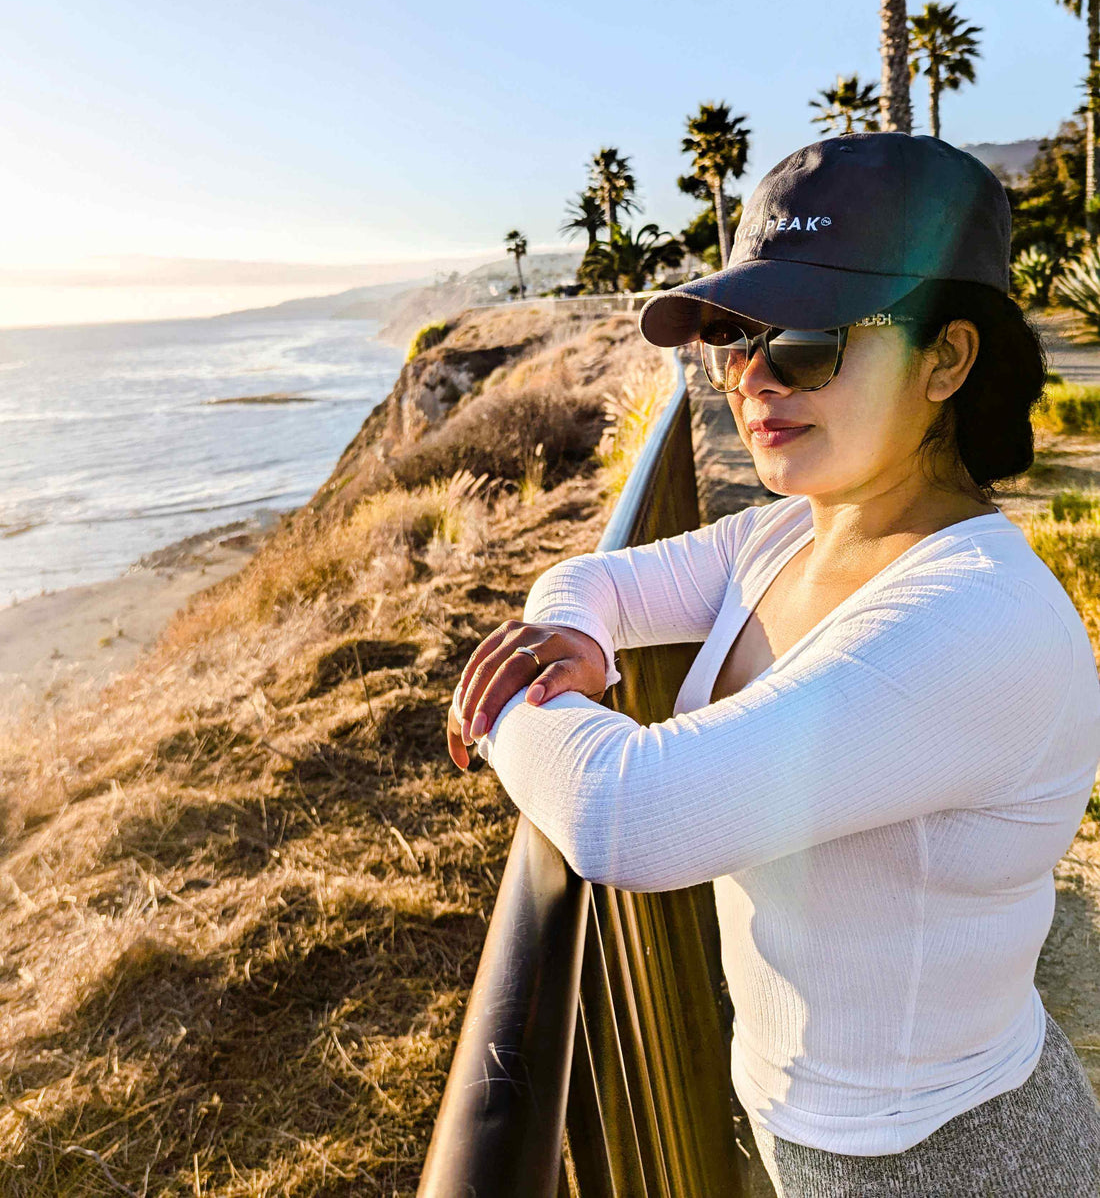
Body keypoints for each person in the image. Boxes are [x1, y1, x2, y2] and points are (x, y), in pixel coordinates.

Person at [446, 133, 1100, 1197]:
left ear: (946, 359)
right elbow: (589, 582)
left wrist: (504, 706)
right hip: (814, 1131)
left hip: (948, 1160)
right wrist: (564, 641)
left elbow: (627, 816)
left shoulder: (974, 619)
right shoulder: (788, 533)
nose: (751, 378)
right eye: (735, 338)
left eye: (803, 339)